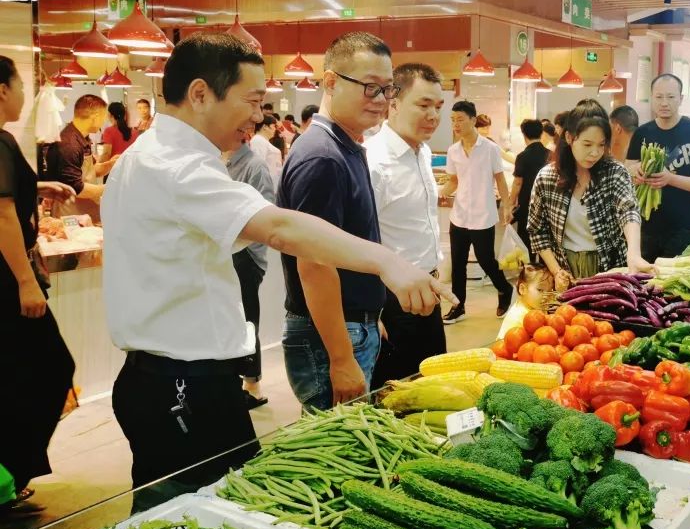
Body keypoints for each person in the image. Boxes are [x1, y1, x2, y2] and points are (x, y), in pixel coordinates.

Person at [102, 33, 449, 497]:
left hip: (183, 378)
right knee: (185, 522)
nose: (259, 116)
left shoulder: (159, 157)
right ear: (201, 94)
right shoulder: (176, 168)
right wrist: (388, 263)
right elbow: (283, 230)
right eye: (252, 100)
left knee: (209, 510)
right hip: (180, 383)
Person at [278, 32, 407, 410]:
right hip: (329, 336)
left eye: (388, 89)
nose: (382, 100)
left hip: (350, 325)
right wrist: (340, 355)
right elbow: (315, 263)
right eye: (370, 88)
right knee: (336, 449)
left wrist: (367, 316)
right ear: (331, 82)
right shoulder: (322, 158)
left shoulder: (344, 146)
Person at [0, 56, 76, 512]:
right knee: (48, 369)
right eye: (20, 85)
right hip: (6, 282)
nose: (26, 95)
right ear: (2, 90)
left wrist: (39, 186)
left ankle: (11, 473)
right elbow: (3, 213)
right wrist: (26, 282)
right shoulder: (1, 141)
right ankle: (12, 470)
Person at [367, 64, 447, 387]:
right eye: (423, 104)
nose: (433, 115)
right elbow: (359, 241)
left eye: (438, 107)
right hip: (392, 300)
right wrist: (373, 315)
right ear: (394, 103)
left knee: (433, 387)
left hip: (429, 291)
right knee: (397, 397)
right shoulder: (374, 161)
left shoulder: (422, 152)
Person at [529, 103, 651, 289]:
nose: (595, 153)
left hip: (610, 269)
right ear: (569, 138)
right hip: (565, 269)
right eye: (587, 144)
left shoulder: (614, 173)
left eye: (601, 145)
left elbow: (628, 210)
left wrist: (633, 253)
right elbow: (537, 230)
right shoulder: (547, 178)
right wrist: (556, 271)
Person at [441, 100, 515, 323]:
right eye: (453, 120)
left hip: (483, 215)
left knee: (486, 261)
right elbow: (453, 181)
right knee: (458, 264)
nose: (456, 124)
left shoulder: (490, 148)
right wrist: (439, 192)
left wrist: (507, 206)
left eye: (460, 119)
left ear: (473, 120)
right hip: (459, 215)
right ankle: (458, 305)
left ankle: (504, 289)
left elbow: (500, 180)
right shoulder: (453, 151)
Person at [627, 74, 690, 261]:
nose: (664, 103)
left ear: (681, 99)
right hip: (645, 226)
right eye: (659, 97)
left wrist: (671, 179)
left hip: (683, 227)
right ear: (651, 98)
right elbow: (627, 171)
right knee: (643, 284)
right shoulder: (642, 133)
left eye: (671, 97)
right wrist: (636, 171)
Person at [224, 122, 275, 409]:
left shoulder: (254, 166)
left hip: (245, 256)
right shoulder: (220, 162)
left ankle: (252, 384)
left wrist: (253, 259)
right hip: (226, 253)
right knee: (231, 318)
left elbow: (266, 212)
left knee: (246, 319)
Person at [43, 94, 108, 221]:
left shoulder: (83, 138)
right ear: (95, 117)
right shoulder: (70, 143)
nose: (103, 122)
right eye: (103, 117)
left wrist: (113, 164)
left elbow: (91, 171)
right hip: (70, 217)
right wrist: (109, 189)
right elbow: (76, 188)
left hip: (84, 214)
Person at [509, 119, 549, 261]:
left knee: (526, 245)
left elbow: (518, 183)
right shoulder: (550, 155)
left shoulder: (522, 156)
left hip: (527, 206)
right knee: (546, 244)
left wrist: (510, 204)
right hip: (546, 207)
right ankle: (545, 277)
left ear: (523, 134)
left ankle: (528, 276)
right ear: (541, 133)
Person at [497, 264, 555, 339]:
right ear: (522, 289)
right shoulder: (517, 317)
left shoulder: (538, 306)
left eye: (550, 290)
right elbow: (504, 345)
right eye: (540, 290)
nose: (547, 295)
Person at [100, 102, 139, 167]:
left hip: (114, 170)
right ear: (124, 115)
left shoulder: (109, 131)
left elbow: (106, 154)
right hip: (129, 169)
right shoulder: (135, 132)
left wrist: (96, 165)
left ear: (110, 115)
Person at [250, 114, 282, 190]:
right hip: (265, 186)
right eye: (274, 126)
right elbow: (259, 166)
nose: (275, 129)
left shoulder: (262, 140)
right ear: (265, 127)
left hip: (272, 184)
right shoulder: (258, 140)